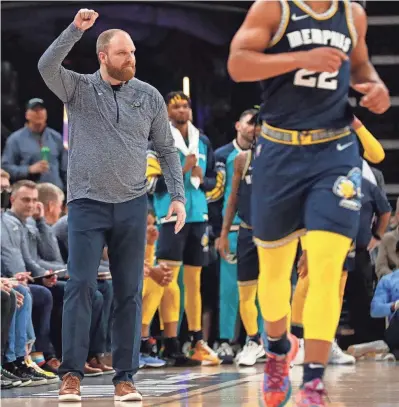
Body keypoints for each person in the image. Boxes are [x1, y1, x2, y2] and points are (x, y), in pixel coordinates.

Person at [228, 1, 390, 406]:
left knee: (325, 266)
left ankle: (314, 382)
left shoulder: (353, 14)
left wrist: (375, 86)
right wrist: (302, 58)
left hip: (334, 153)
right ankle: (279, 350)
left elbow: (362, 66)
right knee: (275, 275)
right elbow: (238, 63)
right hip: (279, 152)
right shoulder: (274, 8)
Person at [38, 9, 185, 402]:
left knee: (129, 292)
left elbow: (168, 151)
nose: (130, 59)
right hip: (86, 204)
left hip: (133, 205)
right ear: (103, 55)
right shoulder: (78, 89)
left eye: (133, 52)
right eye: (123, 53)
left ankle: (125, 378)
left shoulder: (149, 96)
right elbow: (46, 64)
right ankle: (71, 375)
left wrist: (178, 196)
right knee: (81, 287)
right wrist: (74, 30)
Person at [147, 91, 218, 366]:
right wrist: (181, 168)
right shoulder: (157, 142)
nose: (182, 110)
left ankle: (197, 341)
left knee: (194, 282)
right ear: (166, 111)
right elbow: (151, 186)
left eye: (186, 105)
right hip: (169, 217)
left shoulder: (203, 141)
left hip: (198, 215)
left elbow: (213, 182)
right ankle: (170, 343)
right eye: (176, 106)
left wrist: (203, 178)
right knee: (167, 280)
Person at [207, 108, 259, 362]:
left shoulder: (270, 154)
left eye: (257, 124)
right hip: (234, 230)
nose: (253, 128)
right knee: (228, 289)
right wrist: (220, 232)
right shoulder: (224, 155)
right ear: (238, 125)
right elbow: (219, 198)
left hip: (261, 230)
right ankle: (226, 340)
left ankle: (259, 339)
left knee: (260, 291)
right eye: (250, 123)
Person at [218, 143, 267, 367]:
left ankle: (277, 343)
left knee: (274, 291)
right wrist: (224, 233)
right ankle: (254, 340)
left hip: (275, 234)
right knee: (245, 292)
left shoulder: (286, 155)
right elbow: (232, 199)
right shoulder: (242, 159)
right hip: (246, 231)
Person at [1, 98, 67, 191]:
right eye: (34, 110)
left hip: (56, 193)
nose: (39, 112)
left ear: (46, 113)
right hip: (29, 194)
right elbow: (5, 168)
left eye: (41, 109)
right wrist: (29, 170)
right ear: (27, 114)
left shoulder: (56, 137)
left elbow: (66, 169)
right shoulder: (15, 139)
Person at [376, 198, 399, 279]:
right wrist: (395, 278)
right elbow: (380, 268)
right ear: (398, 215)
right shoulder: (387, 239)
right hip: (393, 286)